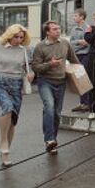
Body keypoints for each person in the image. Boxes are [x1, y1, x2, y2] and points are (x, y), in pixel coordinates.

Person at [0, 24, 34, 166]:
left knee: (13, 118)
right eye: (16, 37)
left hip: (16, 84)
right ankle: (3, 143)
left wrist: (31, 74)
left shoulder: (24, 50)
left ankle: (6, 151)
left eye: (22, 37)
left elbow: (28, 68)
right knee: (7, 107)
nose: (19, 40)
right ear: (9, 35)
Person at [32, 21, 80, 154]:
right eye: (54, 29)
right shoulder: (40, 47)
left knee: (57, 113)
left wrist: (81, 75)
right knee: (49, 107)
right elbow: (35, 67)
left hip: (61, 82)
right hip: (45, 82)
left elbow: (74, 60)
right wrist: (50, 64)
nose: (57, 31)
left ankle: (52, 141)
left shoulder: (65, 43)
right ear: (47, 32)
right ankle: (49, 139)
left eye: (58, 28)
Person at [69, 9, 91, 113]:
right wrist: (79, 42)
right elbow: (71, 43)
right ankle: (82, 103)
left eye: (76, 15)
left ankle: (87, 103)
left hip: (85, 56)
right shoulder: (73, 29)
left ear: (82, 17)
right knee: (78, 79)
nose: (74, 17)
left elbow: (87, 43)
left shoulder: (88, 28)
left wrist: (79, 44)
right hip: (76, 55)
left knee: (83, 79)